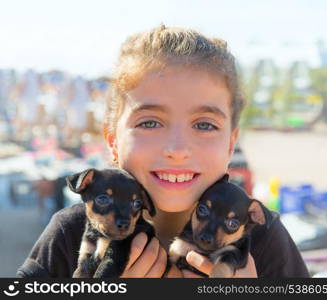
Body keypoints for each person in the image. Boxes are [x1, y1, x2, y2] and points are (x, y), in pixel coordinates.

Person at [17, 25, 309, 278]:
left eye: (205, 125)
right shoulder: (73, 233)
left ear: (231, 145)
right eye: (150, 122)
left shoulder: (260, 237)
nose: (178, 150)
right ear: (113, 141)